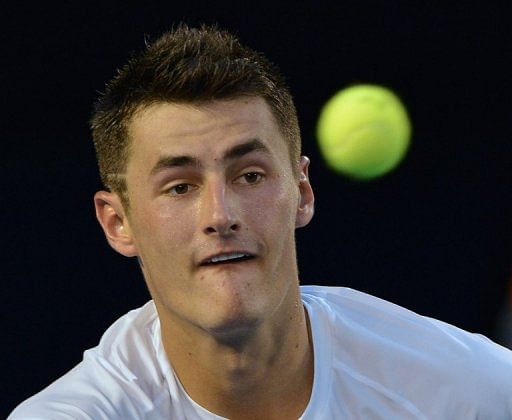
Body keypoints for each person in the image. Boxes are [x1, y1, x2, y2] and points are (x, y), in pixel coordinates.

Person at [9, 24, 512, 420]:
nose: (221, 216)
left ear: (302, 192)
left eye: (249, 175)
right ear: (119, 222)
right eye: (180, 187)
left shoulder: (471, 392)